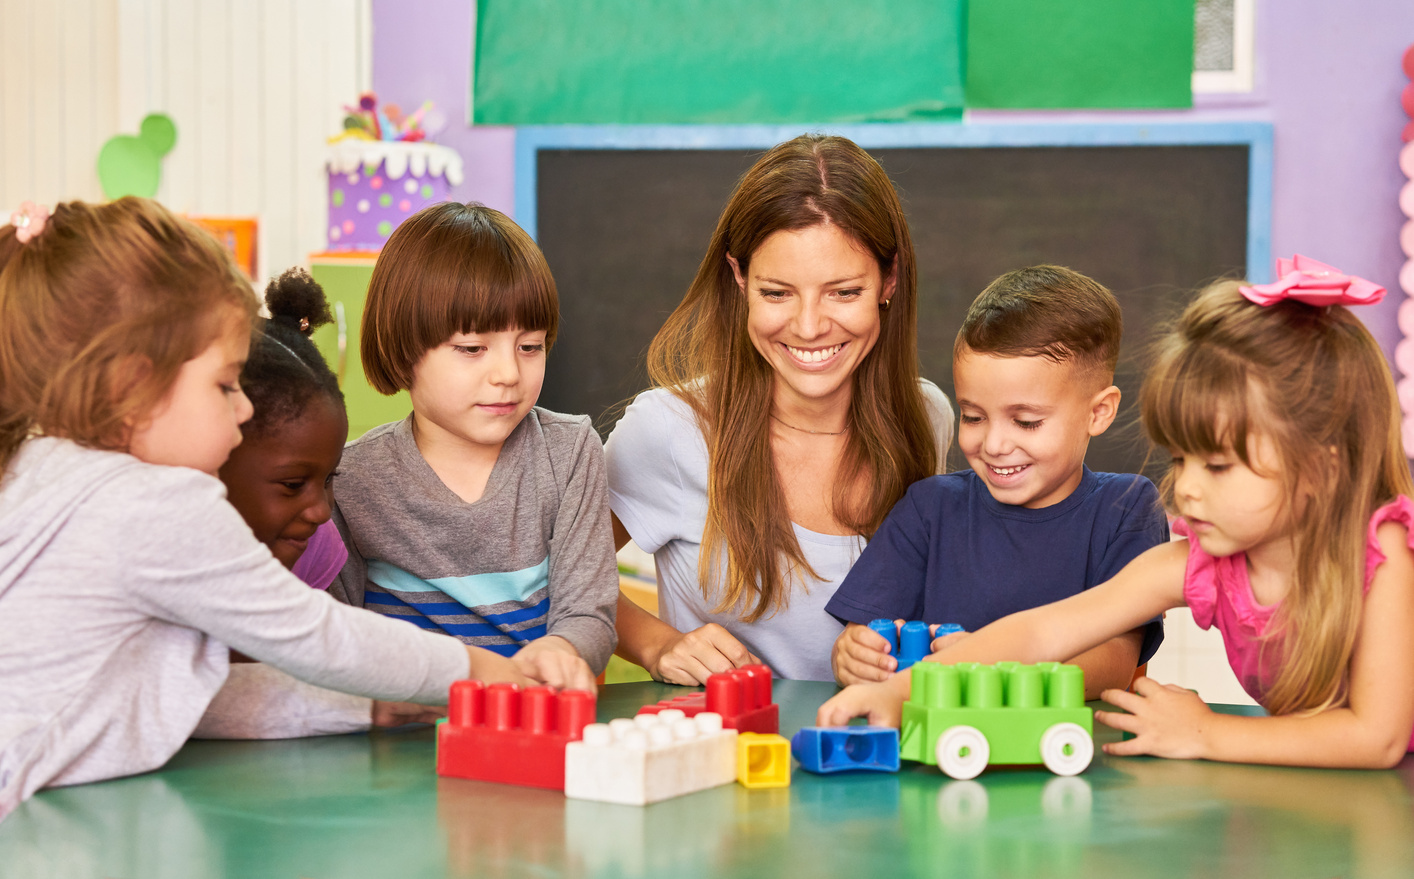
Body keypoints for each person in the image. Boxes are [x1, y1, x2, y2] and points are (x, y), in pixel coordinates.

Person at [0, 198, 552, 822]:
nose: (242, 410)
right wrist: (484, 671)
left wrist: (360, 706)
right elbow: (316, 634)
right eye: (225, 384)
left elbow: (153, 692)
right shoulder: (153, 506)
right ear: (132, 386)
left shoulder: (33, 468)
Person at [818, 259, 1414, 769]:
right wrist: (905, 690)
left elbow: (1378, 736)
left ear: (1320, 464)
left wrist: (1207, 733)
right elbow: (1045, 630)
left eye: (1221, 466)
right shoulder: (1200, 562)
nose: (1187, 492)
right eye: (1183, 460)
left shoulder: (1383, 551)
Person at [606, 134, 953, 684]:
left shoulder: (927, 417)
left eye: (843, 292)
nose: (810, 326)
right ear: (740, 278)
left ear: (889, 280)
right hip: (725, 757)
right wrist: (658, 646)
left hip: (880, 758)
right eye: (777, 293)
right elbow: (562, 578)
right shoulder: (668, 430)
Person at [826, 266, 1166, 697]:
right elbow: (860, 637)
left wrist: (990, 671)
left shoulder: (1127, 507)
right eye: (973, 416)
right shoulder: (930, 508)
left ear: (1098, 413)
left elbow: (1115, 663)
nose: (994, 444)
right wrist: (852, 654)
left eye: (1025, 422)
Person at [329, 202, 616, 681]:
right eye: (471, 349)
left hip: (530, 726)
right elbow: (333, 635)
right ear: (403, 352)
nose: (507, 374)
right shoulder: (350, 479)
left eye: (530, 347)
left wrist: (563, 651)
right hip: (401, 734)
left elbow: (589, 614)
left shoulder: (569, 453)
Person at [219, 268, 347, 590]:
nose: (321, 512)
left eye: (329, 478)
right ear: (216, 460)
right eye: (292, 484)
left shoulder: (315, 546)